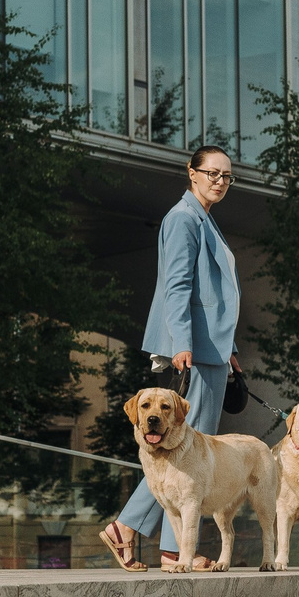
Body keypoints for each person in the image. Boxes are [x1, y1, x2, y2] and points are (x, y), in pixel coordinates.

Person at [100, 147, 243, 570]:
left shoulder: (203, 217)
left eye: (226, 176)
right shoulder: (183, 218)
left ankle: (171, 550)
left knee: (186, 454)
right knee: (181, 448)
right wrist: (183, 342)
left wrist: (230, 348)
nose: (219, 181)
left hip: (211, 349)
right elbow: (176, 286)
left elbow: (213, 294)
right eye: (211, 173)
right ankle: (126, 528)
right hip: (195, 350)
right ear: (192, 173)